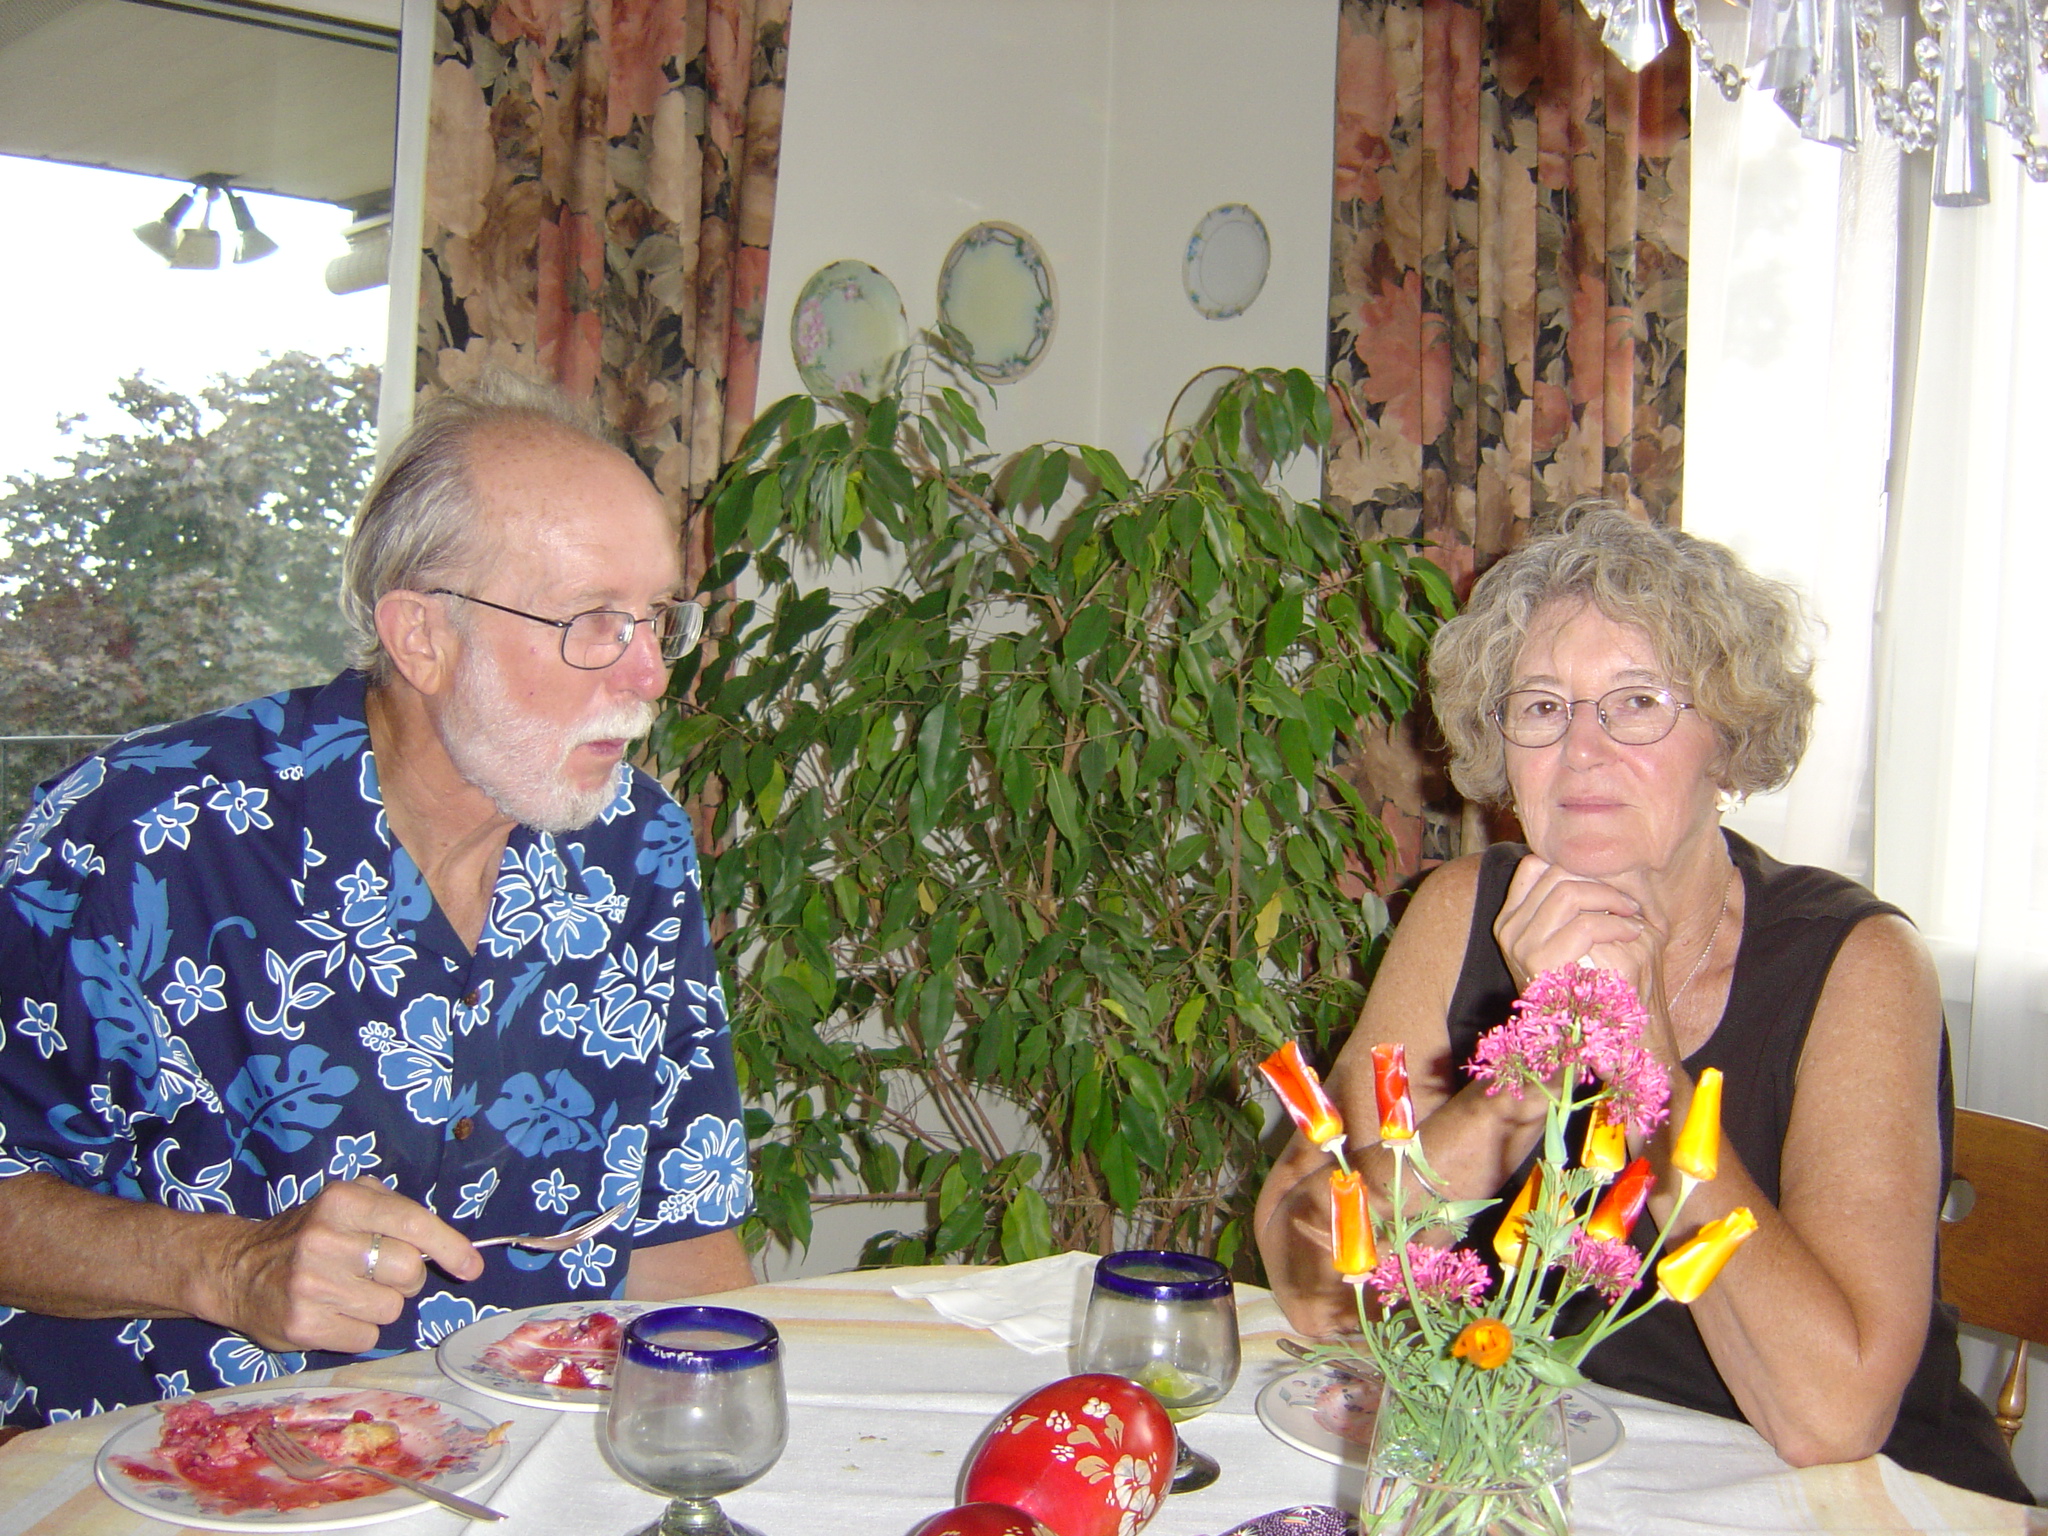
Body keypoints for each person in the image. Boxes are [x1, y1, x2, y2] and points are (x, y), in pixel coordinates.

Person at [0, 376, 754, 1424]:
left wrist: (751, 1432)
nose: (650, 675)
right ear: (421, 639)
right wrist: (229, 1268)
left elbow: (680, 1230)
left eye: (658, 618)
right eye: (592, 622)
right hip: (173, 1477)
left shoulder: (637, 846)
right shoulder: (128, 842)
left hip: (528, 1472)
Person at [1254, 504, 2032, 1504]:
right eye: (1539, 707)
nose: (1580, 749)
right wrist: (1510, 1090)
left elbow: (1828, 1417)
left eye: (1635, 703)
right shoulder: (1458, 915)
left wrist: (1646, 1067)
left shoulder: (1858, 963)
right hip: (1542, 1475)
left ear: (1727, 741)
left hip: (1852, 1503)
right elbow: (1310, 1281)